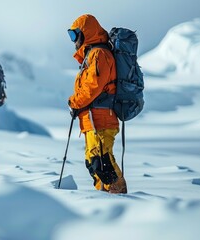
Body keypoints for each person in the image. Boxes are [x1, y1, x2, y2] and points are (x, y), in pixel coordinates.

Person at [67, 14, 127, 193]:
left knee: (102, 162)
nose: (73, 40)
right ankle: (102, 198)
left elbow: (93, 86)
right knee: (93, 163)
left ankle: (119, 200)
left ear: (86, 33)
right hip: (92, 120)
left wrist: (74, 102)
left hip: (101, 118)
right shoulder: (91, 55)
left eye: (74, 35)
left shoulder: (99, 54)